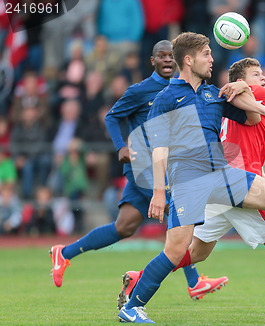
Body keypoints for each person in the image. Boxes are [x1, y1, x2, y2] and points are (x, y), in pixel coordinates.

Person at [118, 32, 265, 324]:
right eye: (206, 54)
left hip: (220, 175)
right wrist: (160, 192)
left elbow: (250, 119)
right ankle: (132, 307)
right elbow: (160, 149)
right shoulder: (166, 98)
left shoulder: (213, 93)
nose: (212, 59)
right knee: (176, 251)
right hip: (188, 181)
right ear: (188, 60)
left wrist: (248, 94)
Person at [49, 41, 227, 301]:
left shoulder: (184, 89)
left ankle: (64, 253)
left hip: (161, 166)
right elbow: (111, 116)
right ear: (152, 61)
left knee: (125, 226)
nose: (167, 60)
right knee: (178, 211)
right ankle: (193, 281)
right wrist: (120, 146)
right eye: (161, 56)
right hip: (145, 166)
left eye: (170, 56)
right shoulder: (141, 90)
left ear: (178, 61)